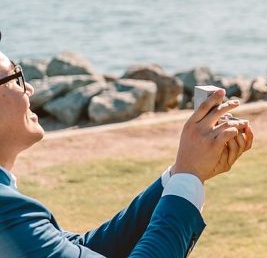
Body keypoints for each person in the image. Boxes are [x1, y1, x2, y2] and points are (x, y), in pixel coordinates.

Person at [0, 35, 253, 257]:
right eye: (15, 77)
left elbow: (82, 249)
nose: (29, 88)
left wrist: (181, 173)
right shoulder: (7, 211)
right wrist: (189, 176)